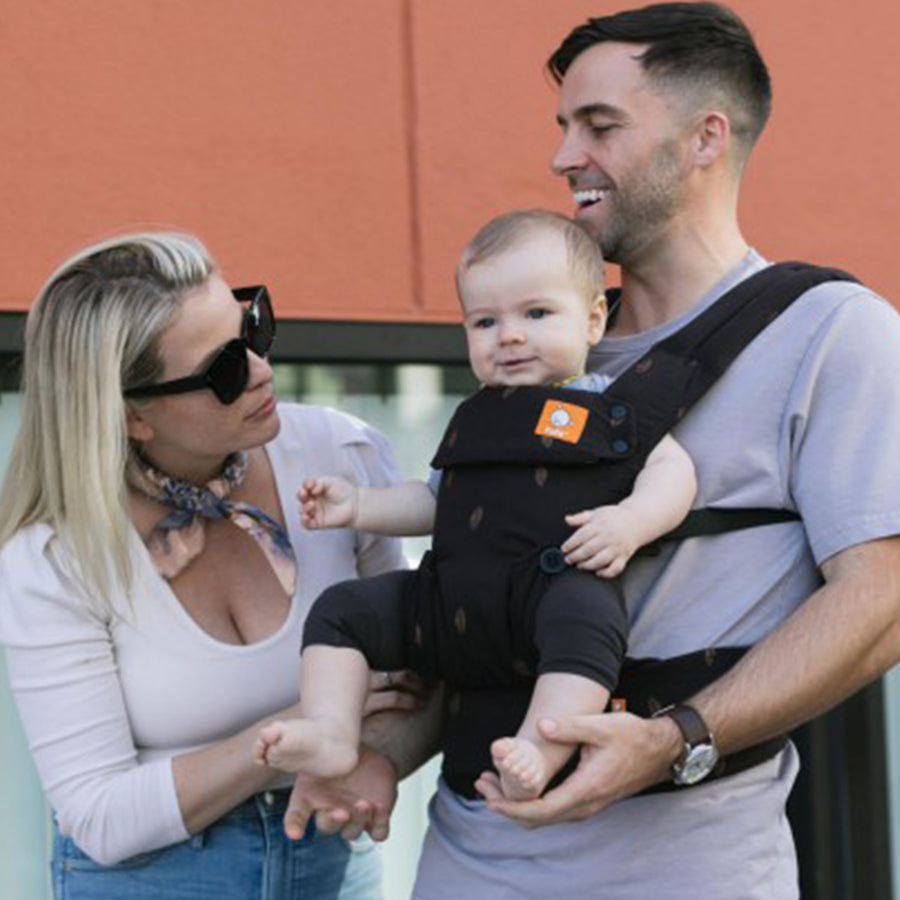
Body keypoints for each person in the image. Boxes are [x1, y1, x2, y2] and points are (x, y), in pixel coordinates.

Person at [400, 3, 900, 899]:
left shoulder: (833, 334)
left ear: (705, 138)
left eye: (599, 126)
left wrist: (677, 739)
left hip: (685, 871)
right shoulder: (534, 346)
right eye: (561, 127)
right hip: (465, 856)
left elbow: (884, 597)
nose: (561, 157)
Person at [0, 232, 423, 900]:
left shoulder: (343, 458)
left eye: (254, 327)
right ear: (133, 416)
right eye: (224, 369)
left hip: (330, 848)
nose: (259, 369)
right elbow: (100, 817)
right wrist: (299, 728)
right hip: (156, 879)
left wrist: (377, 758)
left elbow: (415, 677)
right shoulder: (55, 559)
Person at [252, 209, 696, 802]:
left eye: (536, 314)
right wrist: (359, 505)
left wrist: (632, 522)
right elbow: (435, 503)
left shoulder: (608, 408)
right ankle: (333, 730)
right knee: (342, 610)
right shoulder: (474, 418)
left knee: (587, 624)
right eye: (485, 322)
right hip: (450, 597)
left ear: (593, 321)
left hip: (550, 587)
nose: (508, 335)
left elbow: (675, 471)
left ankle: (540, 750)